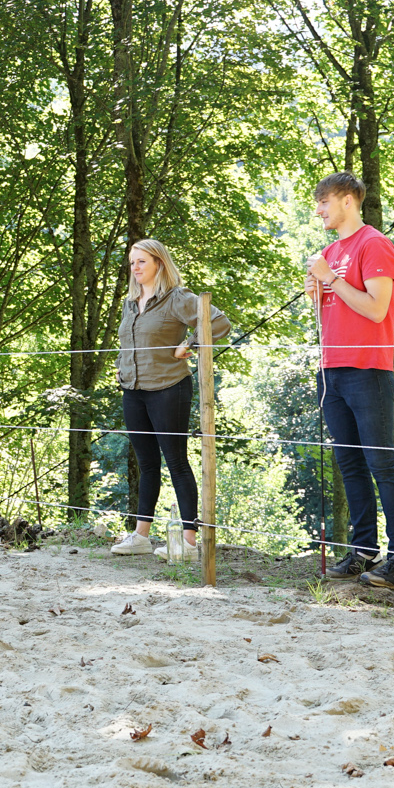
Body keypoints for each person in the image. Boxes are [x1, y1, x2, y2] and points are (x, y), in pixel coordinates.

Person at [306, 171, 394, 589]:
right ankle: (363, 551)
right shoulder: (330, 249)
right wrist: (314, 286)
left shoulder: (374, 244)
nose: (318, 210)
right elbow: (326, 309)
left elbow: (375, 309)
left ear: (348, 200)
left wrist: (331, 278)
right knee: (349, 463)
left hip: (368, 370)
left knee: (382, 464)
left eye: (324, 202)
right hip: (331, 371)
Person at [110, 238, 231, 561]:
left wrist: (190, 344)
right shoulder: (130, 301)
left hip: (169, 389)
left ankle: (189, 544)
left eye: (142, 262)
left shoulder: (177, 298)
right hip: (133, 392)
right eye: (132, 262)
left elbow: (218, 322)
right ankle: (140, 536)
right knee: (146, 464)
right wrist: (121, 368)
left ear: (159, 264)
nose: (135, 268)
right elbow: (128, 342)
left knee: (176, 462)